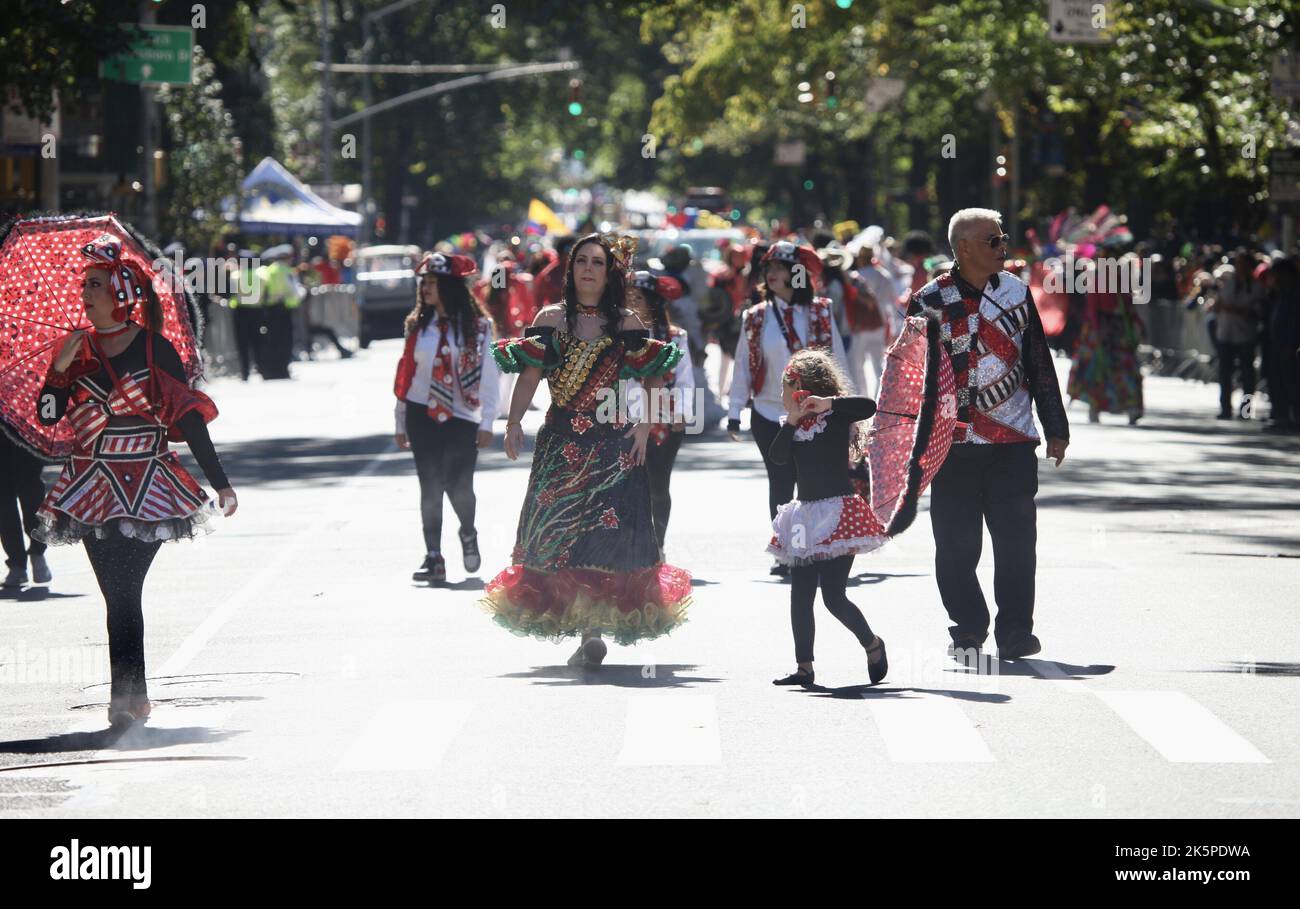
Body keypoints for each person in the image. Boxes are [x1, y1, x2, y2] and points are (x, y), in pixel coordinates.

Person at [33, 235, 236, 727]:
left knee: (125, 591)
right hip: (89, 486)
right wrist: (58, 371)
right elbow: (48, 416)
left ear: (120, 293)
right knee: (116, 595)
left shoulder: (154, 347)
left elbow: (189, 419)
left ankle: (129, 694)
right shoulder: (73, 349)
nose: (86, 292)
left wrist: (221, 483)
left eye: (95, 285)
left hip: (150, 484)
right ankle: (128, 695)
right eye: (85, 284)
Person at [480, 234, 693, 667]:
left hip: (614, 447)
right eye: (581, 261)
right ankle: (585, 630)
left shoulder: (627, 322)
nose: (589, 269)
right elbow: (529, 374)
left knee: (604, 539)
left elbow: (653, 375)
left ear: (609, 272)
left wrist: (645, 425)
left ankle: (592, 631)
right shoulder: (551, 318)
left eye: (597, 262)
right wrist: (514, 422)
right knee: (558, 537)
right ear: (571, 269)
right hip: (561, 445)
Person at [907, 209, 1069, 661]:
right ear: (963, 249)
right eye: (992, 241)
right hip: (952, 447)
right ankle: (968, 626)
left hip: (1014, 442)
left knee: (1016, 544)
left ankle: (1015, 631)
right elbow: (911, 376)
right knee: (955, 547)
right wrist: (906, 443)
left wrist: (1055, 427)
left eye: (1002, 239)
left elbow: (1038, 359)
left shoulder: (1016, 292)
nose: (1003, 247)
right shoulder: (928, 300)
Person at [727, 240, 848, 578]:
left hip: (815, 413)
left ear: (797, 274)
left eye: (781, 268)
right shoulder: (755, 316)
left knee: (810, 485)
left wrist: (846, 407)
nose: (773, 273)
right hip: (769, 412)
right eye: (770, 267)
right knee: (780, 483)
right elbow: (743, 364)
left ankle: (815, 547)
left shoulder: (820, 311)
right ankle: (789, 552)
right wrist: (735, 411)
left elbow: (838, 359)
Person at [766, 349, 888, 686]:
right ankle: (804, 667)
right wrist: (792, 421)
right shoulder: (791, 426)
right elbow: (778, 457)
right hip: (804, 517)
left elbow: (868, 406)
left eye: (786, 388)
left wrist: (828, 403)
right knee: (800, 594)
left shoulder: (834, 416)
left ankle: (872, 644)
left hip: (839, 514)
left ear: (803, 388)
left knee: (834, 597)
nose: (782, 395)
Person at [394, 252, 498, 583]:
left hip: (461, 415)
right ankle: (433, 556)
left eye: (433, 282)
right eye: (423, 282)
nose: (425, 288)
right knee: (430, 485)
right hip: (420, 412)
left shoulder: (478, 328)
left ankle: (468, 531)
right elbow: (406, 374)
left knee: (459, 484)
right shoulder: (417, 326)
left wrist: (488, 421)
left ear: (450, 287)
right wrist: (400, 420)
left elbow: (489, 375)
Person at [627, 270, 694, 553]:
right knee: (627, 485)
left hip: (664, 421)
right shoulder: (615, 334)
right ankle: (630, 547)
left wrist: (682, 411)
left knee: (658, 484)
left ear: (652, 302)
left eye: (638, 298)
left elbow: (685, 377)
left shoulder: (675, 337)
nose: (631, 302)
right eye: (627, 297)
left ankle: (657, 546)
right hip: (624, 419)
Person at [1067, 273, 1145, 424]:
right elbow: (1092, 308)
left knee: (1126, 368)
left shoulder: (1122, 281)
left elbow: (1129, 307)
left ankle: (1132, 407)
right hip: (1100, 332)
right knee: (1096, 370)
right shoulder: (1098, 282)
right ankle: (1095, 407)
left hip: (1118, 333)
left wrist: (1139, 325)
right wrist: (1097, 331)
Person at [1209, 250, 1265, 419]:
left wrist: (1237, 310)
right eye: (1238, 263)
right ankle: (1225, 408)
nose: (1240, 267)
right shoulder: (1228, 283)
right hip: (1226, 333)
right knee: (1224, 373)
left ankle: (1245, 410)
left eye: (1243, 264)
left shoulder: (1257, 287)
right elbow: (1217, 304)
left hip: (1246, 335)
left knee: (1247, 375)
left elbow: (1259, 312)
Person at [0, 432, 51, 588]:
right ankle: (18, 564)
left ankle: (37, 553)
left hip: (26, 434)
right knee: (4, 505)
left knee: (31, 498)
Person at [254, 244, 301, 379]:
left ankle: (272, 370)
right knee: (285, 341)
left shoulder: (268, 271)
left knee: (271, 340)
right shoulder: (287, 271)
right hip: (283, 309)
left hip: (269, 310)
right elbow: (294, 291)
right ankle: (282, 370)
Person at [1265, 256, 1300, 431]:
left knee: (1292, 384)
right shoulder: (1281, 292)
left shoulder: (1295, 293)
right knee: (1279, 381)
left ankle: (1294, 417)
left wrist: (1291, 343)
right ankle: (1281, 415)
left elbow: (1294, 320)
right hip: (1278, 344)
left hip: (1290, 346)